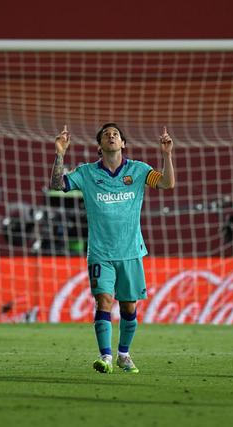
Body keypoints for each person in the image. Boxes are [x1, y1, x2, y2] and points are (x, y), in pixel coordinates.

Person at [49, 123, 175, 374]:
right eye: (106, 134)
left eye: (115, 134)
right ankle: (105, 356)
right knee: (103, 300)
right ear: (100, 146)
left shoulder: (139, 170)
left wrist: (167, 155)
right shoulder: (86, 173)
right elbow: (57, 185)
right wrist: (60, 153)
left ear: (123, 143)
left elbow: (166, 184)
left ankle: (123, 354)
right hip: (100, 252)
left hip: (131, 251)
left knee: (129, 307)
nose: (111, 136)